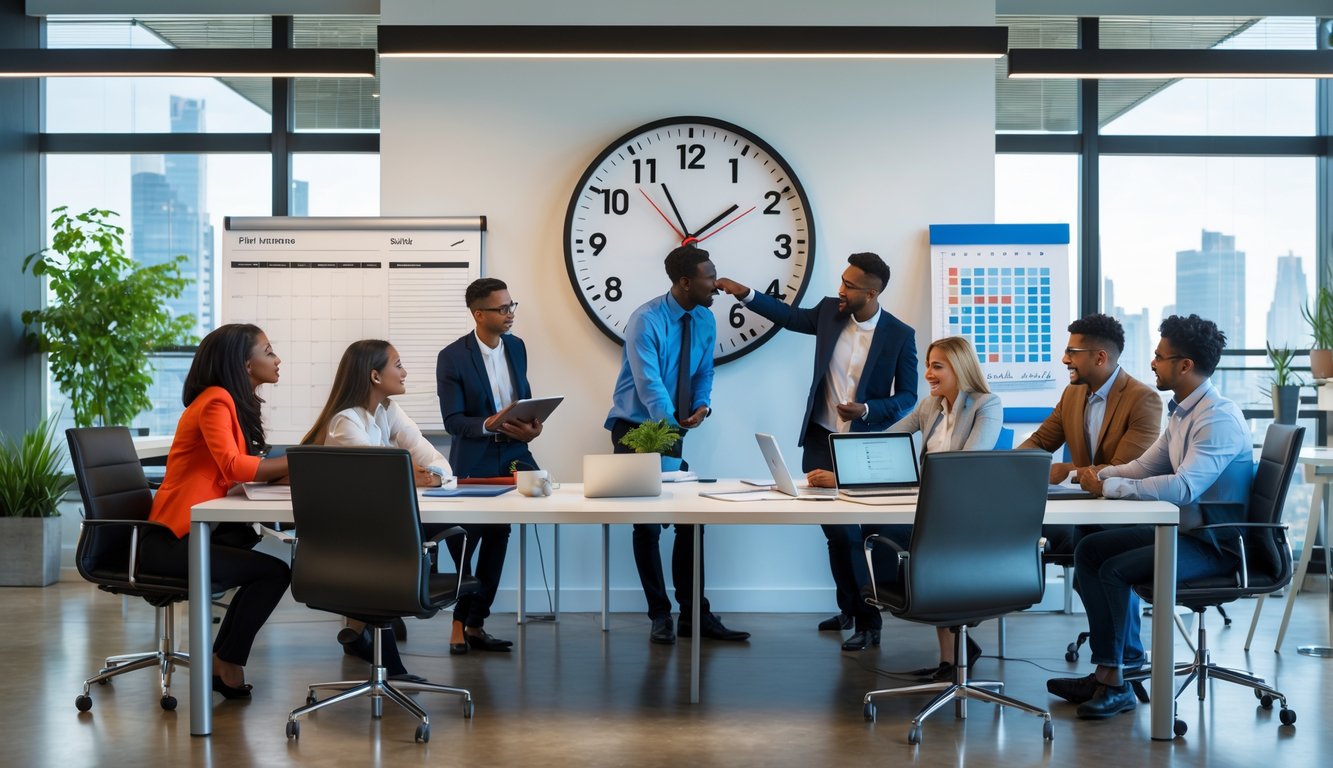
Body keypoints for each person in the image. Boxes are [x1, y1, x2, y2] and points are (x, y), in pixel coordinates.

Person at [1050, 314, 1253, 720]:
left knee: (1114, 569)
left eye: (1159, 357)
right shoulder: (1182, 412)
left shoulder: (1217, 418)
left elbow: (1182, 487)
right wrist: (1100, 475)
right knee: (1089, 548)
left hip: (1216, 545)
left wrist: (1107, 487)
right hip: (1187, 531)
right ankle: (1108, 671)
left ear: (1185, 366)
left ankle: (1115, 682)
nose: (1152, 364)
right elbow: (1144, 467)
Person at [716, 252, 917, 652]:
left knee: (862, 536)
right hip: (821, 439)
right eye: (841, 281)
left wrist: (868, 409)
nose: (840, 290)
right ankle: (850, 607)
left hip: (863, 446)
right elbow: (789, 316)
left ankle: (868, 620)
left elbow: (910, 395)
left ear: (872, 293)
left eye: (849, 285)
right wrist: (745, 293)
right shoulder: (830, 312)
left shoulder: (900, 334)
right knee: (836, 535)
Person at [818, 336, 1000, 676]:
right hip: (929, 507)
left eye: (937, 367)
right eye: (929, 365)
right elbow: (884, 441)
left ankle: (951, 651)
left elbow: (968, 463)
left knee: (926, 556)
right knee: (879, 532)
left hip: (963, 513)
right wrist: (841, 474)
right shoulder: (928, 406)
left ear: (959, 368)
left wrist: (916, 482)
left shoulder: (986, 405)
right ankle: (953, 652)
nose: (928, 374)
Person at [140, 323, 292, 699]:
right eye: (268, 351)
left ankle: (223, 660)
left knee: (264, 564)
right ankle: (225, 661)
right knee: (273, 573)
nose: (277, 359)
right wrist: (299, 462)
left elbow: (229, 473)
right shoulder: (216, 400)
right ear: (244, 364)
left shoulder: (224, 401)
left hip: (195, 532)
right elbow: (233, 466)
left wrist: (284, 472)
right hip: (171, 541)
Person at [606, 243, 748, 645]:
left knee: (690, 522)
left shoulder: (704, 319)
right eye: (709, 277)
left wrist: (702, 405)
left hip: (674, 427)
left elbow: (705, 370)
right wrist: (672, 425)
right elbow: (649, 385)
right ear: (685, 282)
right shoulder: (645, 320)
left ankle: (694, 615)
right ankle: (659, 616)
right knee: (647, 527)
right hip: (636, 430)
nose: (716, 285)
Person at [302, 339, 456, 681]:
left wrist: (425, 475)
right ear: (374, 375)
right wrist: (408, 474)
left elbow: (434, 461)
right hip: (349, 538)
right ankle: (389, 664)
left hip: (376, 528)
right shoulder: (345, 422)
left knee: (425, 531)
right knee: (396, 547)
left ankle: (359, 630)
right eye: (397, 365)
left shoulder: (388, 410)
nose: (404, 372)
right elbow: (379, 479)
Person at [1020, 313, 1163, 679]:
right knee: (1087, 578)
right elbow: (1040, 442)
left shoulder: (1143, 400)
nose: (1065, 359)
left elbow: (1121, 468)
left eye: (1072, 352)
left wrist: (1064, 470)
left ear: (1100, 357)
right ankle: (1120, 660)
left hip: (1125, 513)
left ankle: (1125, 661)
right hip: (1086, 510)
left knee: (1100, 575)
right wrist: (1012, 468)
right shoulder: (1073, 393)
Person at [436, 277, 540, 654]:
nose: (510, 314)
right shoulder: (453, 357)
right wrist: (488, 424)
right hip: (475, 457)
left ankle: (475, 623)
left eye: (512, 306)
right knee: (469, 539)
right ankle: (459, 622)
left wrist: (531, 427)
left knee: (500, 535)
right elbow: (453, 421)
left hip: (514, 452)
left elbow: (523, 399)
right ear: (479, 314)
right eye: (502, 308)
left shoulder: (517, 347)